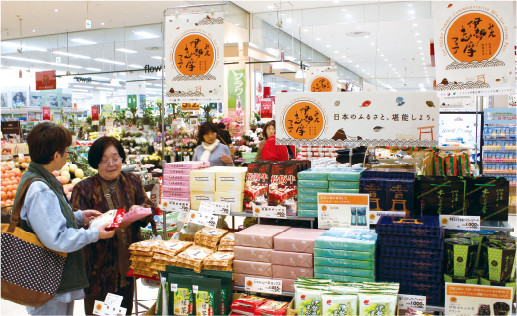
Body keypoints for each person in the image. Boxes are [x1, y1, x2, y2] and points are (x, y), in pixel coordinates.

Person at [12, 122, 115, 316]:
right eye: (66, 151)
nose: (68, 155)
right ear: (56, 155)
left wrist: (77, 217)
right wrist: (93, 234)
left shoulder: (39, 178)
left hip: (49, 279)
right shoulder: (40, 189)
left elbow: (46, 221)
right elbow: (57, 238)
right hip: (47, 281)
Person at [70, 136, 156, 315]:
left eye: (115, 158)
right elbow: (75, 227)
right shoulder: (83, 188)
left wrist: (140, 209)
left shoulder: (132, 181)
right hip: (97, 270)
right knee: (98, 311)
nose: (111, 164)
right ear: (95, 162)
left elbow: (150, 208)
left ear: (122, 158)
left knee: (124, 309)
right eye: (104, 160)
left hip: (126, 266)